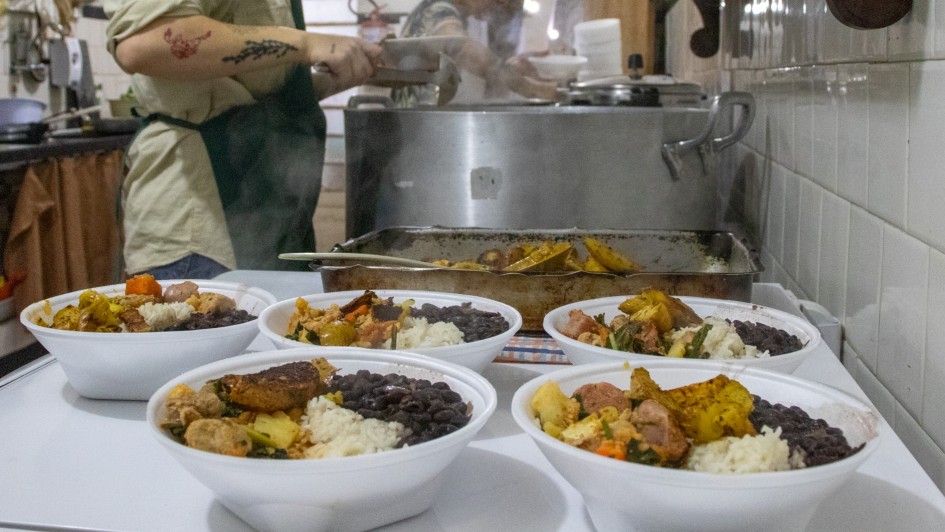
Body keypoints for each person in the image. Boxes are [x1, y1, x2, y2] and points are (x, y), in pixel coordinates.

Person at [104, 1, 383, 278]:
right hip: (202, 229)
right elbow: (146, 44)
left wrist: (342, 74)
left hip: (272, 216)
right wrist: (307, 45)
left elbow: (250, 93)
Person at [393, 0, 556, 106]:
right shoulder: (439, 9)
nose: (501, 2)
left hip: (420, 128)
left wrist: (509, 67)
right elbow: (459, 47)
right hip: (419, 130)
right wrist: (527, 87)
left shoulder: (450, 14)